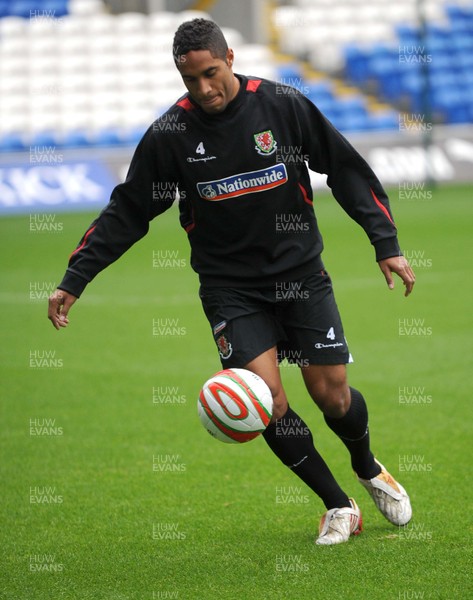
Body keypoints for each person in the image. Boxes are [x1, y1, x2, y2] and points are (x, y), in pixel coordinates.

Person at [48, 18, 415, 545]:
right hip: (230, 288)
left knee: (332, 397)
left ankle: (368, 467)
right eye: (190, 79)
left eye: (211, 73)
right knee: (264, 401)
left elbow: (346, 168)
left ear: (231, 58)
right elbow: (129, 211)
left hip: (300, 275)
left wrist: (386, 242)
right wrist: (75, 277)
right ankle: (339, 505)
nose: (203, 89)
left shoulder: (283, 106)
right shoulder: (170, 135)